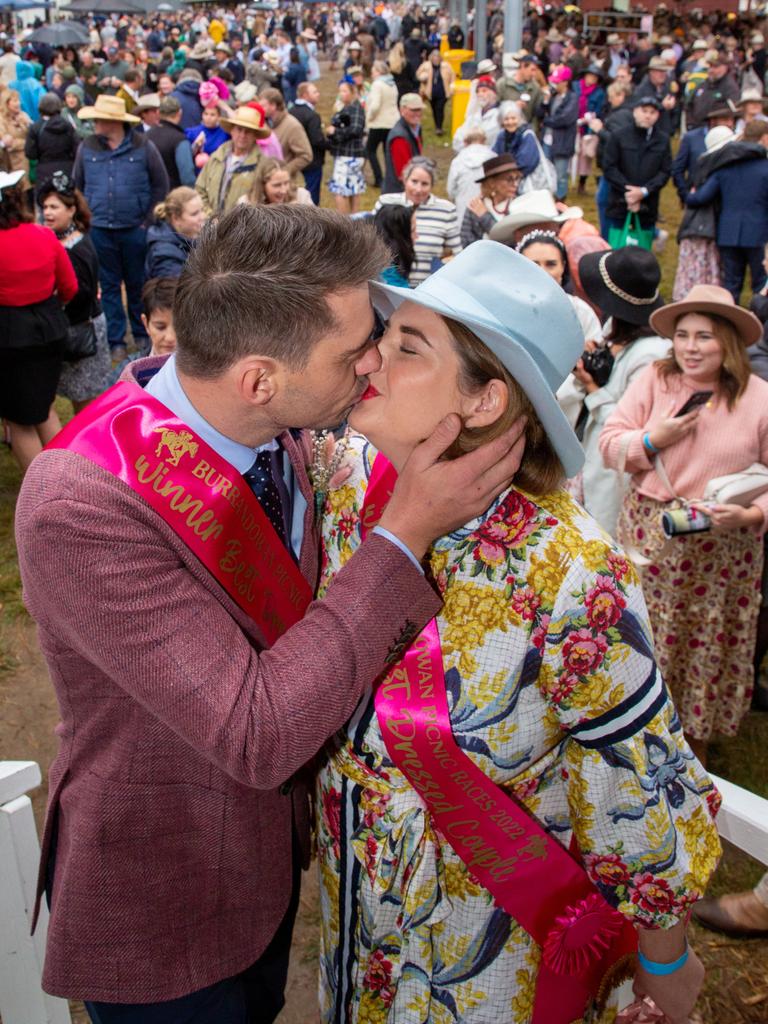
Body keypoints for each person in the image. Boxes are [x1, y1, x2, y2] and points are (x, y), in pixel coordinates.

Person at [15, 203, 524, 1024]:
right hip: (165, 897)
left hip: (266, 867)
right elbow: (257, 731)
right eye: (353, 350)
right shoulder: (80, 504)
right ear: (259, 377)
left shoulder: (273, 423)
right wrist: (403, 539)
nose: (371, 365)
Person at [316, 240, 719, 1024]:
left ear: (485, 401)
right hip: (357, 908)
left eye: (408, 347)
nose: (370, 360)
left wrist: (665, 959)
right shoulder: (349, 483)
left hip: (482, 944)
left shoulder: (574, 572)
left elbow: (632, 785)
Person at [600, 285, 768, 765]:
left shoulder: (759, 399)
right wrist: (654, 438)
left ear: (730, 343)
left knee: (704, 642)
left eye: (705, 337)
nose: (691, 347)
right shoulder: (656, 380)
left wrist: (754, 515)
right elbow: (610, 445)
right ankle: (634, 734)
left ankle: (693, 747)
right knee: (643, 635)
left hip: (723, 550)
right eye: (683, 335)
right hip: (652, 536)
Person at [573, 247, 670, 536]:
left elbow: (633, 425)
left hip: (617, 472)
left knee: (606, 540)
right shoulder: (614, 327)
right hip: (591, 456)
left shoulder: (651, 355)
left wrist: (593, 388)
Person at [73, 94, 169, 362]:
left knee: (138, 283)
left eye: (98, 119)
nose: (94, 124)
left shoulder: (143, 146)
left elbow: (160, 186)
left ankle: (141, 333)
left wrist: (146, 221)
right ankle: (116, 339)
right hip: (100, 229)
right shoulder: (87, 147)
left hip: (134, 229)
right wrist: (86, 222)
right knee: (110, 286)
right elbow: (77, 186)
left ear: (112, 121)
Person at [0, 169, 77, 471]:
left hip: (10, 336)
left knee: (19, 420)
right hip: (49, 329)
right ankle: (67, 477)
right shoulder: (44, 235)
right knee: (43, 407)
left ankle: (43, 489)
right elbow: (69, 286)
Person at [38, 171, 111, 414]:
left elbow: (82, 293)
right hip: (73, 327)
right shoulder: (58, 240)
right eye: (45, 206)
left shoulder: (77, 248)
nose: (47, 212)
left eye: (54, 207)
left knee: (86, 403)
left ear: (71, 210)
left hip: (82, 328)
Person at [685, 120, 768, 302]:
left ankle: (729, 323)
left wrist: (687, 195)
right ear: (763, 138)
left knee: (731, 284)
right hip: (758, 233)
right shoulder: (765, 168)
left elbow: (701, 197)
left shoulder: (725, 166)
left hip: (728, 232)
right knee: (761, 284)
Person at [602, 97, 672, 241]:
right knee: (616, 247)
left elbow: (665, 171)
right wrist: (630, 192)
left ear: (657, 116)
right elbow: (609, 166)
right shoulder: (619, 136)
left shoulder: (662, 140)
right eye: (644, 111)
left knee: (642, 250)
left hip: (648, 203)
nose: (647, 116)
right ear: (634, 112)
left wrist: (644, 191)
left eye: (652, 112)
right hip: (620, 201)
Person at [196, 104, 269, 215]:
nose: (242, 135)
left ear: (255, 135)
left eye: (248, 131)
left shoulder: (262, 164)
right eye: (239, 129)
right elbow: (199, 189)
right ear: (232, 131)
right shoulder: (217, 156)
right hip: (210, 225)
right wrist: (210, 216)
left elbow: (264, 203)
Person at [400, 156, 461, 285]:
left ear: (432, 185)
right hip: (390, 287)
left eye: (425, 184)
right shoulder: (387, 204)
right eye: (414, 181)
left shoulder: (446, 209)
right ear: (405, 180)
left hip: (427, 289)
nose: (418, 189)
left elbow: (458, 253)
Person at [460, 153, 521, 247]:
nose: (515, 184)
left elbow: (512, 243)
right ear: (492, 183)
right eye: (509, 179)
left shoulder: (520, 205)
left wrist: (485, 217)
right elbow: (466, 243)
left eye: (517, 178)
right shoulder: (475, 206)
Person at [145, 185, 205, 278]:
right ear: (176, 218)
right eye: (194, 214)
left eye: (202, 210)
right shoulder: (165, 258)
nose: (203, 217)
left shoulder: (193, 238)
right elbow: (173, 290)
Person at [326, 78, 366, 215]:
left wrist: (335, 131)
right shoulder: (347, 108)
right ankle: (354, 220)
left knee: (340, 189)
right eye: (340, 91)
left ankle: (346, 222)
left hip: (348, 155)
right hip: (349, 154)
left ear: (352, 91)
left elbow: (356, 129)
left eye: (344, 91)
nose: (341, 94)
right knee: (353, 188)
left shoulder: (355, 108)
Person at [24, 92, 78, 193]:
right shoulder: (68, 125)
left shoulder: (36, 127)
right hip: (67, 169)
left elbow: (30, 153)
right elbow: (76, 148)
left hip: (44, 170)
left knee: (46, 201)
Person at [258, 87, 312, 181]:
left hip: (284, 184)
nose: (260, 109)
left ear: (273, 106)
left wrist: (284, 171)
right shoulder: (264, 123)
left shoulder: (292, 126)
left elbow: (306, 156)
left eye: (263, 106)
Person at [541, 64, 578, 201]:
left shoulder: (572, 98)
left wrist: (547, 121)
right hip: (547, 139)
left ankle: (560, 199)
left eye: (557, 81)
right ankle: (548, 197)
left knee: (561, 174)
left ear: (565, 82)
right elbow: (541, 113)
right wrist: (545, 102)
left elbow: (564, 119)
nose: (554, 84)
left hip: (562, 142)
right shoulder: (553, 97)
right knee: (547, 171)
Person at [446, 128, 495, 227]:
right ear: (484, 140)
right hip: (487, 209)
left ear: (465, 142)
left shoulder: (458, 161)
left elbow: (450, 190)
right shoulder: (493, 158)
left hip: (463, 208)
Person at [146, 95, 196, 189]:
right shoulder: (179, 140)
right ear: (179, 113)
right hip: (173, 197)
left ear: (158, 113)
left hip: (150, 195)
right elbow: (187, 177)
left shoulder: (146, 136)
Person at [290, 81, 326, 205]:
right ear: (305, 95)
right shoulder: (312, 115)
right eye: (315, 92)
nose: (318, 94)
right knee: (312, 194)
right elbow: (317, 139)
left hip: (293, 157)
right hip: (312, 159)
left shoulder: (291, 111)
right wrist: (330, 144)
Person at [365, 61, 399, 190]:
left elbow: (375, 105)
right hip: (392, 122)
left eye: (373, 71)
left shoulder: (377, 84)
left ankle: (378, 178)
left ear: (378, 71)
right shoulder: (392, 83)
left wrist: (369, 117)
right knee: (387, 152)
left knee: (370, 150)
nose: (372, 73)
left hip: (378, 123)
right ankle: (390, 177)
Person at [382, 91, 423, 193]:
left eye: (419, 109)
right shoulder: (399, 137)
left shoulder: (415, 130)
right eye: (413, 110)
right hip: (399, 193)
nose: (417, 113)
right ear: (402, 110)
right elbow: (403, 172)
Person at [373, 200, 415, 286]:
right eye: (413, 230)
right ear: (401, 235)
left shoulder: (373, 253)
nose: (417, 235)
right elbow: (401, 296)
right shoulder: (390, 270)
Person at [416, 47, 454, 136]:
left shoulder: (446, 66)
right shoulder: (426, 66)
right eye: (434, 57)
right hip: (431, 92)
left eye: (437, 57)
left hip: (443, 91)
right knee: (434, 109)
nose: (436, 59)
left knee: (440, 109)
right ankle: (437, 125)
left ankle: (439, 127)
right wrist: (422, 77)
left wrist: (451, 87)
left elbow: (452, 77)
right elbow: (418, 75)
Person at [244, 157, 313, 205]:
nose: (284, 190)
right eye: (277, 185)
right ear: (262, 185)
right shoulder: (246, 203)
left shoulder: (302, 197)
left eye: (286, 183)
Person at [184, 99, 230, 173]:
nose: (208, 118)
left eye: (212, 115)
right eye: (206, 114)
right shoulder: (192, 132)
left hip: (217, 172)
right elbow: (186, 156)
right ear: (202, 115)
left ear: (219, 117)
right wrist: (195, 145)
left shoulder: (225, 133)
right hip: (198, 174)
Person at [0, 87, 31, 192]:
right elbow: (8, 144)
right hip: (12, 165)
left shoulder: (23, 116)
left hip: (28, 163)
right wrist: (24, 143)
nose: (18, 103)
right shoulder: (2, 120)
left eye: (18, 100)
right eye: (15, 101)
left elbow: (33, 137)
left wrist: (28, 123)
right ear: (7, 103)